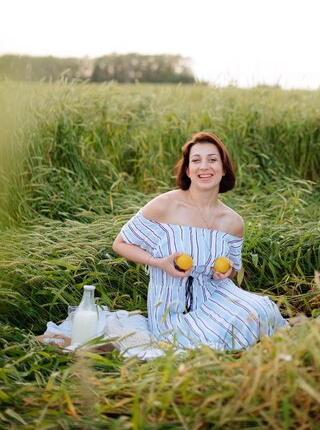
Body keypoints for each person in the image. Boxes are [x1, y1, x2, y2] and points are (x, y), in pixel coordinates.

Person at [112, 131, 288, 351]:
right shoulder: (165, 205)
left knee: (264, 309)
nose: (204, 166)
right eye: (196, 160)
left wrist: (226, 272)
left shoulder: (233, 222)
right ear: (188, 170)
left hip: (216, 296)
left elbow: (233, 269)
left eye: (212, 160)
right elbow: (120, 243)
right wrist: (157, 262)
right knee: (216, 337)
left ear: (224, 169)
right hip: (172, 308)